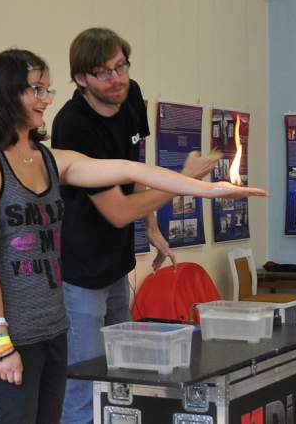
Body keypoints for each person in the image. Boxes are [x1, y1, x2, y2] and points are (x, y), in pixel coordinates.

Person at [0, 48, 266, 424]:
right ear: (8, 93)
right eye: (36, 89)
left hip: (52, 332)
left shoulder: (50, 160)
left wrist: (209, 189)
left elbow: (128, 170)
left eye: (47, 90)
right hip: (10, 338)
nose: (46, 100)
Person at [51, 27, 224, 423]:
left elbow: (137, 169)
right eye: (104, 72)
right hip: (80, 271)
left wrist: (153, 227)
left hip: (116, 262)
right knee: (84, 377)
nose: (118, 79)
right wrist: (183, 181)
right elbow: (116, 211)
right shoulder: (73, 126)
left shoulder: (130, 96)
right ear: (81, 78)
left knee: (121, 372)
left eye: (122, 66)